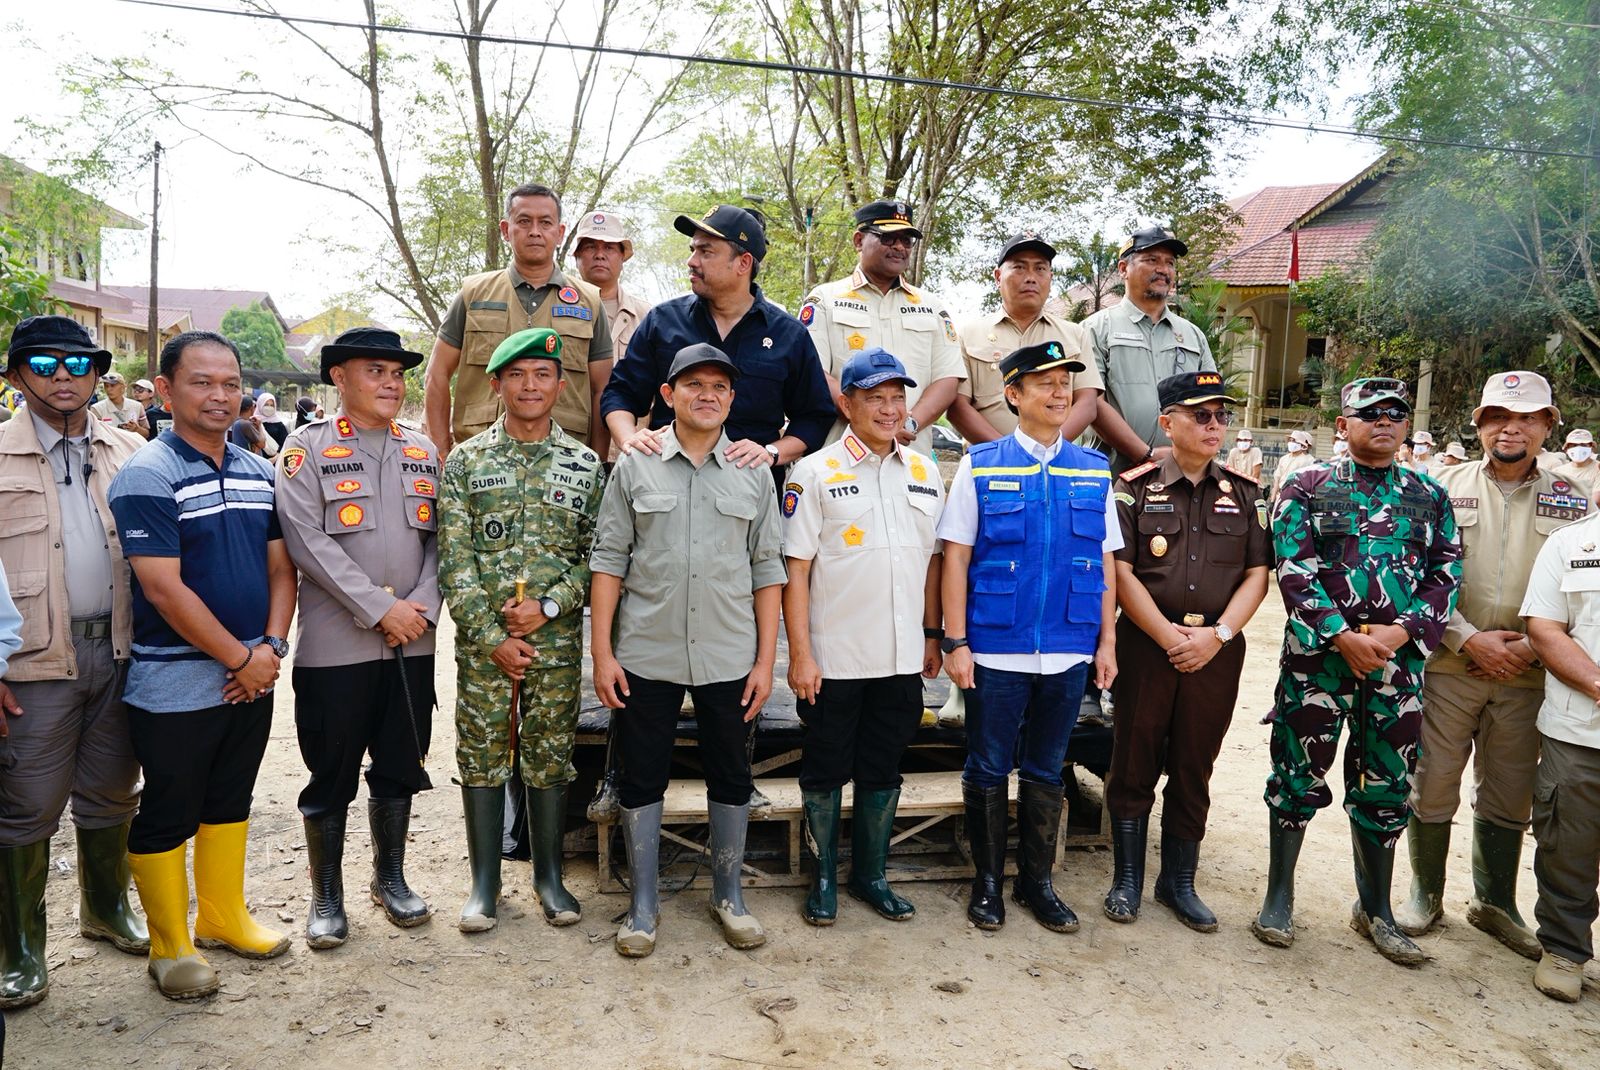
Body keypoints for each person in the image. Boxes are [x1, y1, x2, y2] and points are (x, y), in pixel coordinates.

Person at [107, 330, 297, 1000]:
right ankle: (170, 946)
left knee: (230, 800)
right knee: (170, 809)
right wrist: (241, 657)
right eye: (201, 382)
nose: (220, 395)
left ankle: (221, 917)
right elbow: (163, 588)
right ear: (165, 390)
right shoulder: (146, 476)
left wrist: (271, 648)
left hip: (254, 675)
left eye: (229, 382)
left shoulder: (257, 471)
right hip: (175, 683)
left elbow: (282, 568)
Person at [1253, 377, 1461, 966]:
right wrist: (1342, 635)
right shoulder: (1307, 485)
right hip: (1319, 663)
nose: (1386, 422)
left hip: (1396, 670)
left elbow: (1446, 573)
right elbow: (1292, 567)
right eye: (1370, 414)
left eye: (1396, 414)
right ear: (1342, 426)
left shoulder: (1430, 495)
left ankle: (1377, 910)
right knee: (1296, 775)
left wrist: (1401, 633)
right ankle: (1279, 896)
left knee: (1388, 787)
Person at [591, 343, 785, 958]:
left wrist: (764, 663)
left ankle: (728, 894)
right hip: (647, 651)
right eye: (694, 384)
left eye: (721, 387)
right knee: (642, 773)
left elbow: (768, 570)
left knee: (731, 771)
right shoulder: (636, 464)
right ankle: (643, 903)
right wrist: (603, 654)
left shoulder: (753, 470)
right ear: (668, 395)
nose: (708, 395)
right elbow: (608, 562)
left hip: (730, 655)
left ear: (733, 399)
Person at [1396, 371, 1588, 960]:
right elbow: (1413, 572)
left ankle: (1494, 903)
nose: (1513, 427)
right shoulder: (1435, 486)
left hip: (1531, 676)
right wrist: (1466, 639)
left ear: (1548, 425)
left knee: (1510, 792)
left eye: (1528, 417)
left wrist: (1533, 646)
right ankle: (1425, 893)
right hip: (1450, 666)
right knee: (1433, 782)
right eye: (1500, 416)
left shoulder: (1574, 500)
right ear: (1479, 424)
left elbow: (1582, 596)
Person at [938, 340, 1119, 933]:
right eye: (1044, 382)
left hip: (1068, 643)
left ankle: (1036, 883)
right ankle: (987, 884)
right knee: (988, 765)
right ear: (1013, 395)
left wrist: (1106, 643)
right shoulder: (982, 464)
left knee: (1047, 767)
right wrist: (956, 642)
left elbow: (1107, 562)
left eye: (1066, 381)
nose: (1059, 391)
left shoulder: (1092, 470)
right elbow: (956, 558)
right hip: (996, 643)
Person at [275, 328, 442, 949]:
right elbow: (306, 542)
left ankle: (390, 878)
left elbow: (439, 544)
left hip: (413, 643)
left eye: (397, 373)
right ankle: (327, 894)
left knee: (400, 762)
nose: (392, 383)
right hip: (336, 646)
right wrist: (380, 609)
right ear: (338, 378)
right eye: (376, 371)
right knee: (332, 768)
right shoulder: (306, 449)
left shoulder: (423, 450)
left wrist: (418, 607)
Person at [0, 316, 146, 1010]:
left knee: (113, 790)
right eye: (45, 361)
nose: (64, 374)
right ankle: (20, 948)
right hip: (31, 662)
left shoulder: (128, 448)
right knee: (25, 804)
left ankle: (105, 908)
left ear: (97, 374)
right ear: (17, 375)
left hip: (118, 651)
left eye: (78, 363)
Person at [438, 327, 604, 933]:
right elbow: (454, 561)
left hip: (555, 647)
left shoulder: (585, 465)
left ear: (561, 385)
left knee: (548, 755)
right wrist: (492, 636)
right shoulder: (466, 461)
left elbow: (599, 558)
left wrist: (550, 608)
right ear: (497, 383)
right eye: (517, 375)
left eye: (542, 375)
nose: (530, 386)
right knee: (481, 753)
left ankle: (549, 878)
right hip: (486, 646)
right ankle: (485, 883)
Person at [782, 348, 945, 926]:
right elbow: (795, 569)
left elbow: (932, 565)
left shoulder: (925, 472)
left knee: (885, 767)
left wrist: (933, 636)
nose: (889, 408)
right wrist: (800, 655)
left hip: (901, 659)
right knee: (825, 769)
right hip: (835, 659)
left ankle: (871, 875)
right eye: (874, 397)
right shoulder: (815, 472)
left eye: (897, 397)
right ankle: (823, 877)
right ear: (846, 403)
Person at [1104, 372, 1271, 931]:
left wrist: (1217, 635)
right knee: (1134, 758)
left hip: (1215, 652)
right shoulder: (1134, 486)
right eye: (1201, 415)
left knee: (1195, 762)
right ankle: (1126, 879)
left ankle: (1178, 883)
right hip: (1148, 646)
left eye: (1221, 416)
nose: (1214, 425)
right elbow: (1120, 571)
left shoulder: (1246, 496)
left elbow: (1256, 575)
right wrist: (1167, 635)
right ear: (1167, 422)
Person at [599, 205, 835, 480]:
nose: (692, 261)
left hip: (750, 492)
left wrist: (770, 452)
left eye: (706, 252)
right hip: (665, 486)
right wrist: (630, 440)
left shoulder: (789, 335)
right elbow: (620, 393)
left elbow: (815, 416)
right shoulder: (663, 322)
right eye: (693, 250)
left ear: (743, 263)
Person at [425, 183, 611, 459]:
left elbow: (602, 390)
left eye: (545, 222)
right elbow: (437, 375)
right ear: (505, 230)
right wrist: (440, 454)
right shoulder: (473, 294)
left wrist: (596, 465)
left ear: (560, 233)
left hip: (566, 464)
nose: (535, 231)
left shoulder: (589, 301)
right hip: (479, 460)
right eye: (523, 221)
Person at [799, 200, 964, 456]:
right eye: (888, 238)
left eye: (907, 240)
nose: (899, 247)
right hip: (839, 458)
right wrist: (869, 421)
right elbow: (815, 373)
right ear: (858, 240)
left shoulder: (932, 306)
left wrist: (905, 422)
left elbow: (947, 378)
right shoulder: (824, 300)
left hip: (911, 457)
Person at [1519, 506, 1600, 1002]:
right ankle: (1565, 948)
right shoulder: (1571, 544)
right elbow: (1545, 628)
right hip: (1580, 728)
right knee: (1568, 840)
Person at [1081, 226, 1216, 475]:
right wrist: (1145, 454)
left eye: (1170, 263)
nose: (1163, 270)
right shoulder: (1095, 329)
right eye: (1152, 260)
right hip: (1112, 475)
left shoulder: (1193, 335)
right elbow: (1090, 402)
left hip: (1181, 474)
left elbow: (1210, 404)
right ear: (1123, 269)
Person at [948, 232, 1102, 446]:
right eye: (1019, 267)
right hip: (989, 463)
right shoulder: (968, 335)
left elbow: (1087, 403)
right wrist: (1006, 453)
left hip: (1057, 463)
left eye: (1040, 268)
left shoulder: (1074, 335)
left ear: (1050, 277)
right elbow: (957, 406)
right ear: (998, 276)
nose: (1031, 277)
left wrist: (1048, 449)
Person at [571, 210, 653, 366]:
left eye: (609, 248)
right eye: (590, 247)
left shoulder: (646, 316)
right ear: (576, 256)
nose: (600, 255)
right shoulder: (557, 308)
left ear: (623, 257)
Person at [90, 371, 148, 437]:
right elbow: (94, 435)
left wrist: (137, 429)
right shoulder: (97, 409)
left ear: (122, 386)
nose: (109, 389)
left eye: (113, 386)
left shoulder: (137, 406)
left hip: (132, 446)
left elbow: (147, 434)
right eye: (106, 386)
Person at [1552, 428, 1599, 497]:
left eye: (1583, 445)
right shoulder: (1557, 472)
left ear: (1591, 447)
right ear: (1567, 448)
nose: (1579, 448)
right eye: (1574, 445)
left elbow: (1596, 500)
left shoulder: (1598, 469)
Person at [1270, 430, 1317, 499]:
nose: (1291, 443)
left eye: (1294, 441)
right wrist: (1273, 499)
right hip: (1280, 495)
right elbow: (1277, 480)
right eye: (1290, 440)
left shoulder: (1310, 460)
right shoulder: (1284, 458)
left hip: (1297, 497)